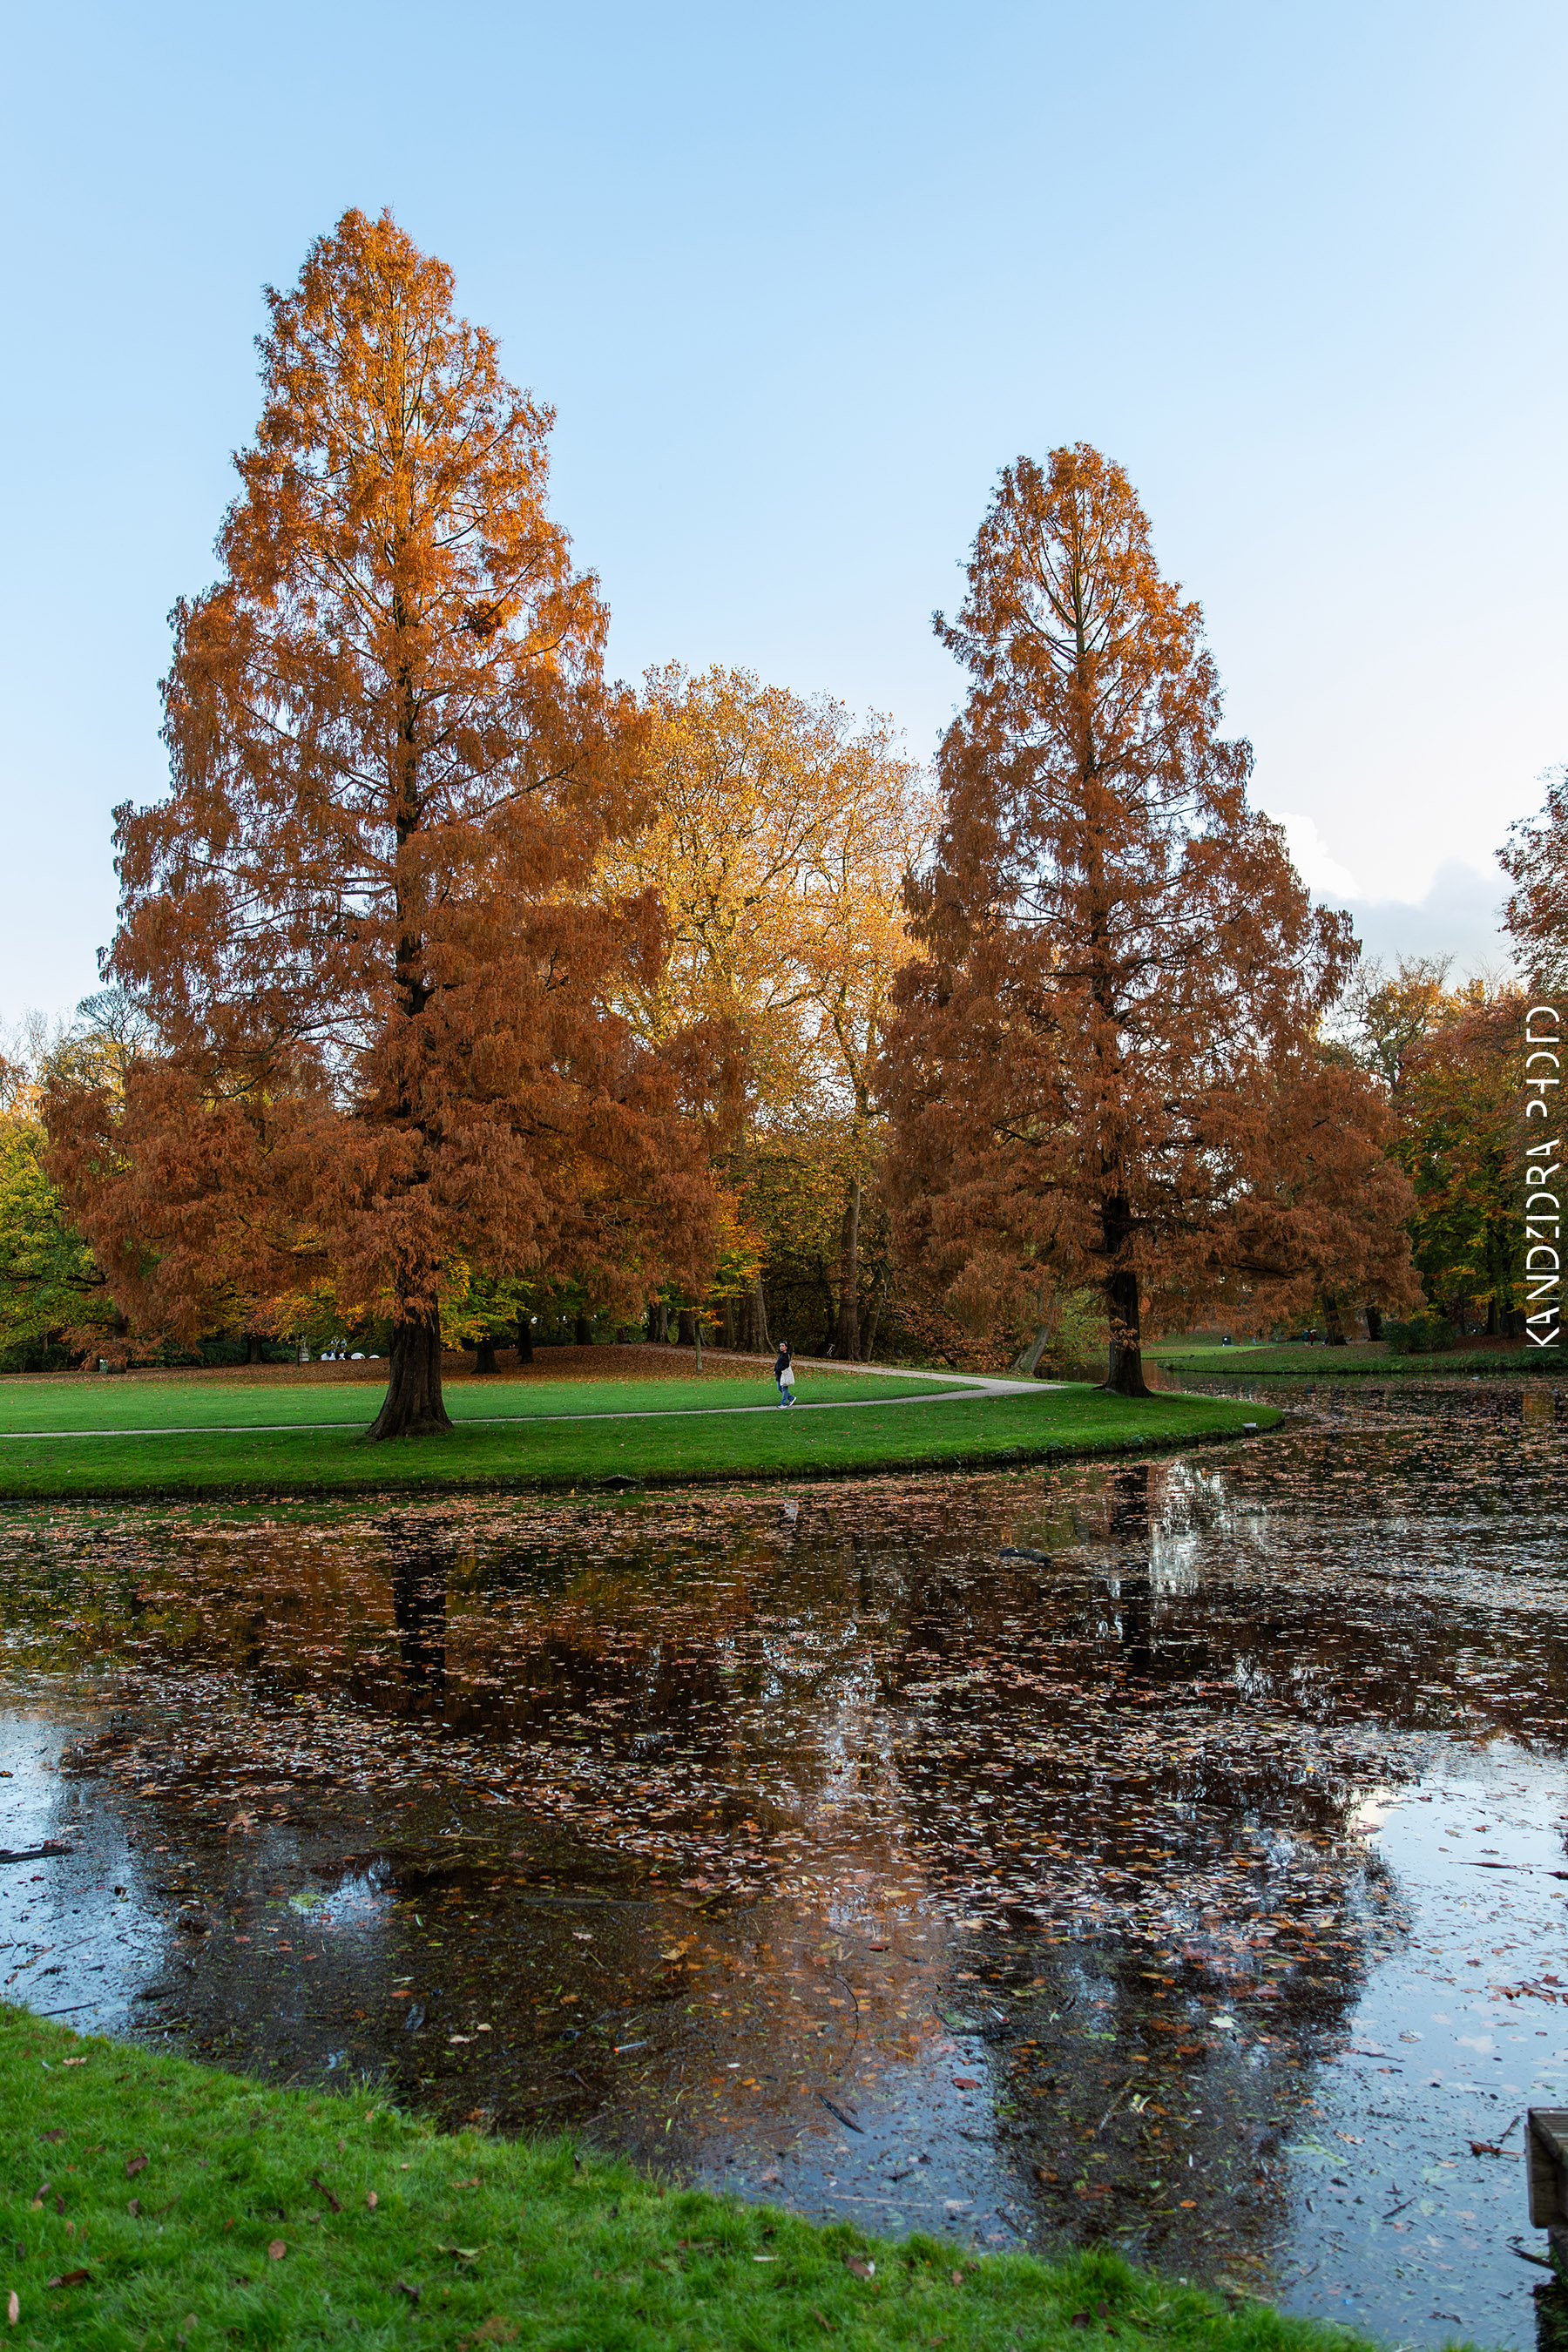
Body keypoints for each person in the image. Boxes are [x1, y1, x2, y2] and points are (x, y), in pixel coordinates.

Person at [774, 1339, 797, 1406]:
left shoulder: (787, 1355)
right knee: (779, 1388)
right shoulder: (781, 1355)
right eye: (780, 1346)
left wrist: (778, 1370)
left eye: (783, 1346)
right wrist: (775, 1370)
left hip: (784, 1374)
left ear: (786, 1347)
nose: (781, 1347)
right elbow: (778, 1363)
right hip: (779, 1374)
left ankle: (783, 1403)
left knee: (784, 1388)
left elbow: (785, 1365)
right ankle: (791, 1398)